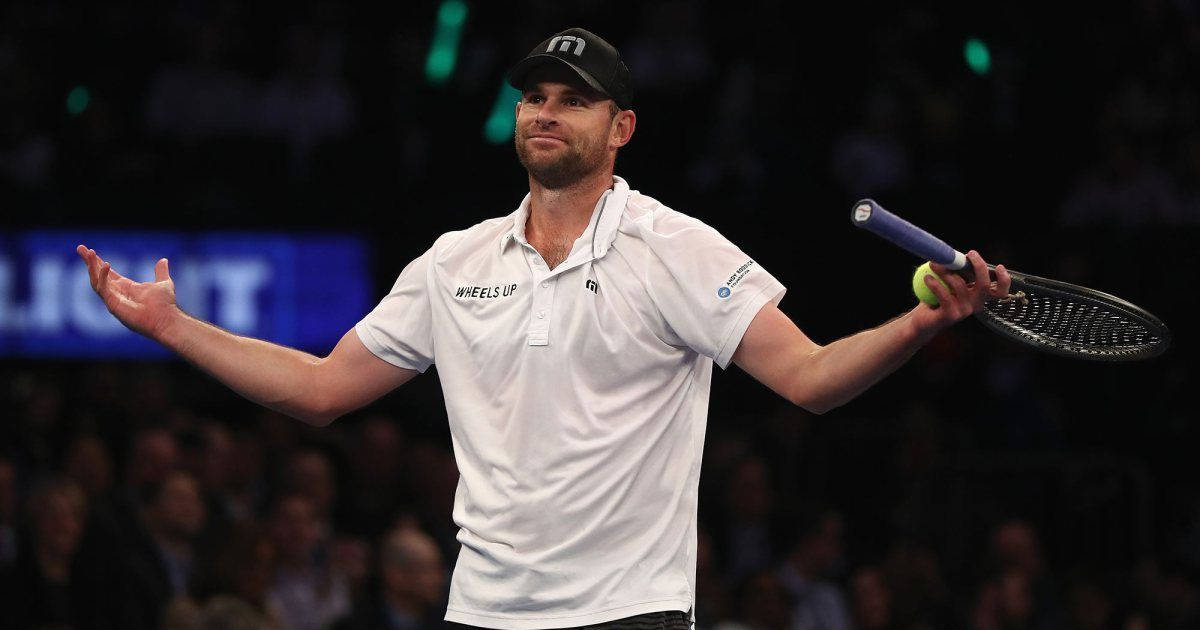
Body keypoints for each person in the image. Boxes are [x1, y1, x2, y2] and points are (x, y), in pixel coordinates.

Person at [76, 26, 1011, 630]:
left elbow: (809, 378)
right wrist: (173, 330)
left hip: (629, 612)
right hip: (481, 613)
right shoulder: (454, 260)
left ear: (623, 127)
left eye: (572, 100)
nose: (546, 113)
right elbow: (323, 391)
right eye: (535, 98)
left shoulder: (674, 247)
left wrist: (922, 322)